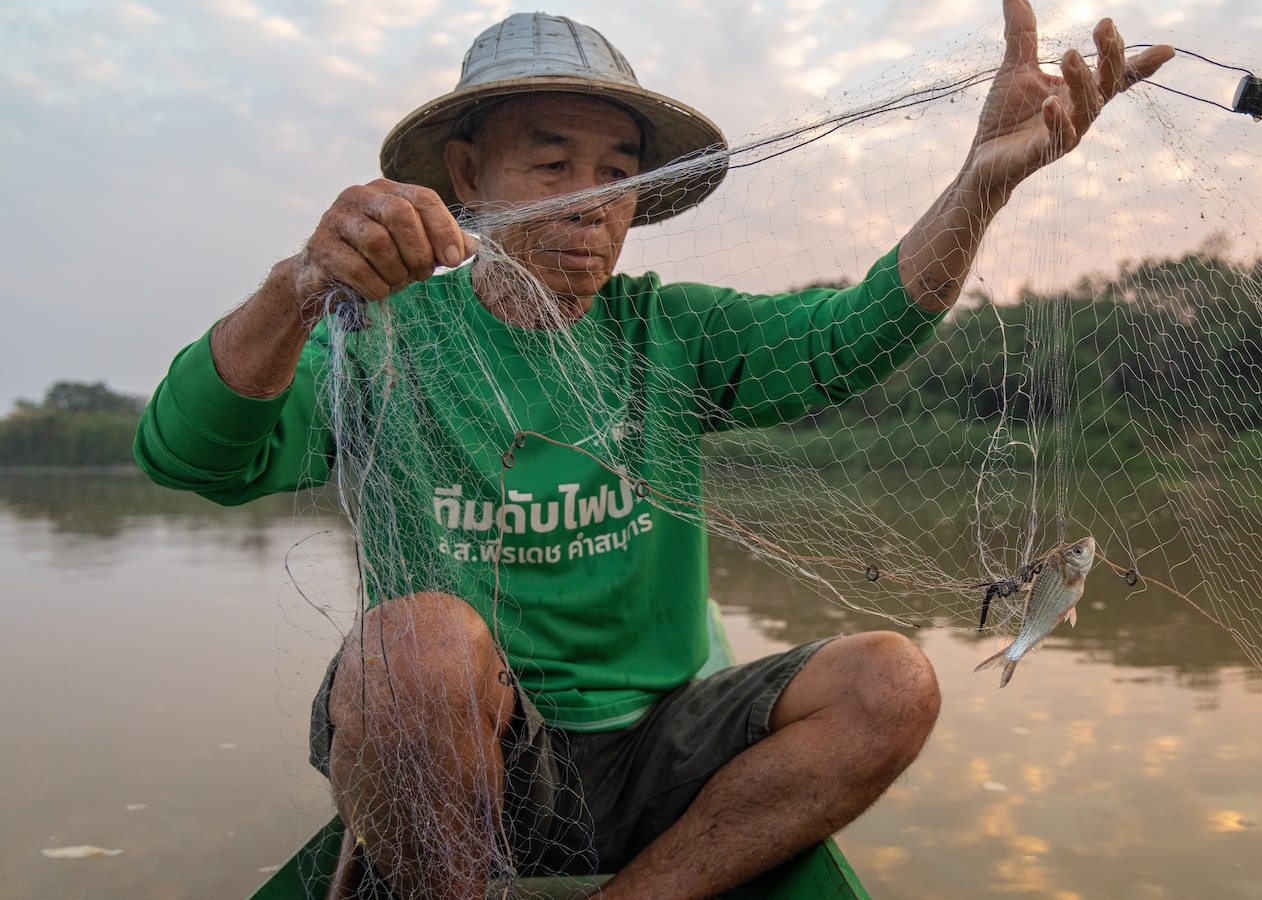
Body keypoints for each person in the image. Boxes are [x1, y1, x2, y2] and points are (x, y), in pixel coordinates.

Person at [135, 3, 1171, 898]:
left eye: (618, 172)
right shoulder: (381, 335)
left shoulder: (668, 331)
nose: (590, 200)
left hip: (662, 745)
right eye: (551, 163)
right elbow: (189, 458)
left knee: (891, 684)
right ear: (468, 175)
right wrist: (298, 288)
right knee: (418, 647)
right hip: (471, 752)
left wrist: (984, 183)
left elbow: (853, 336)